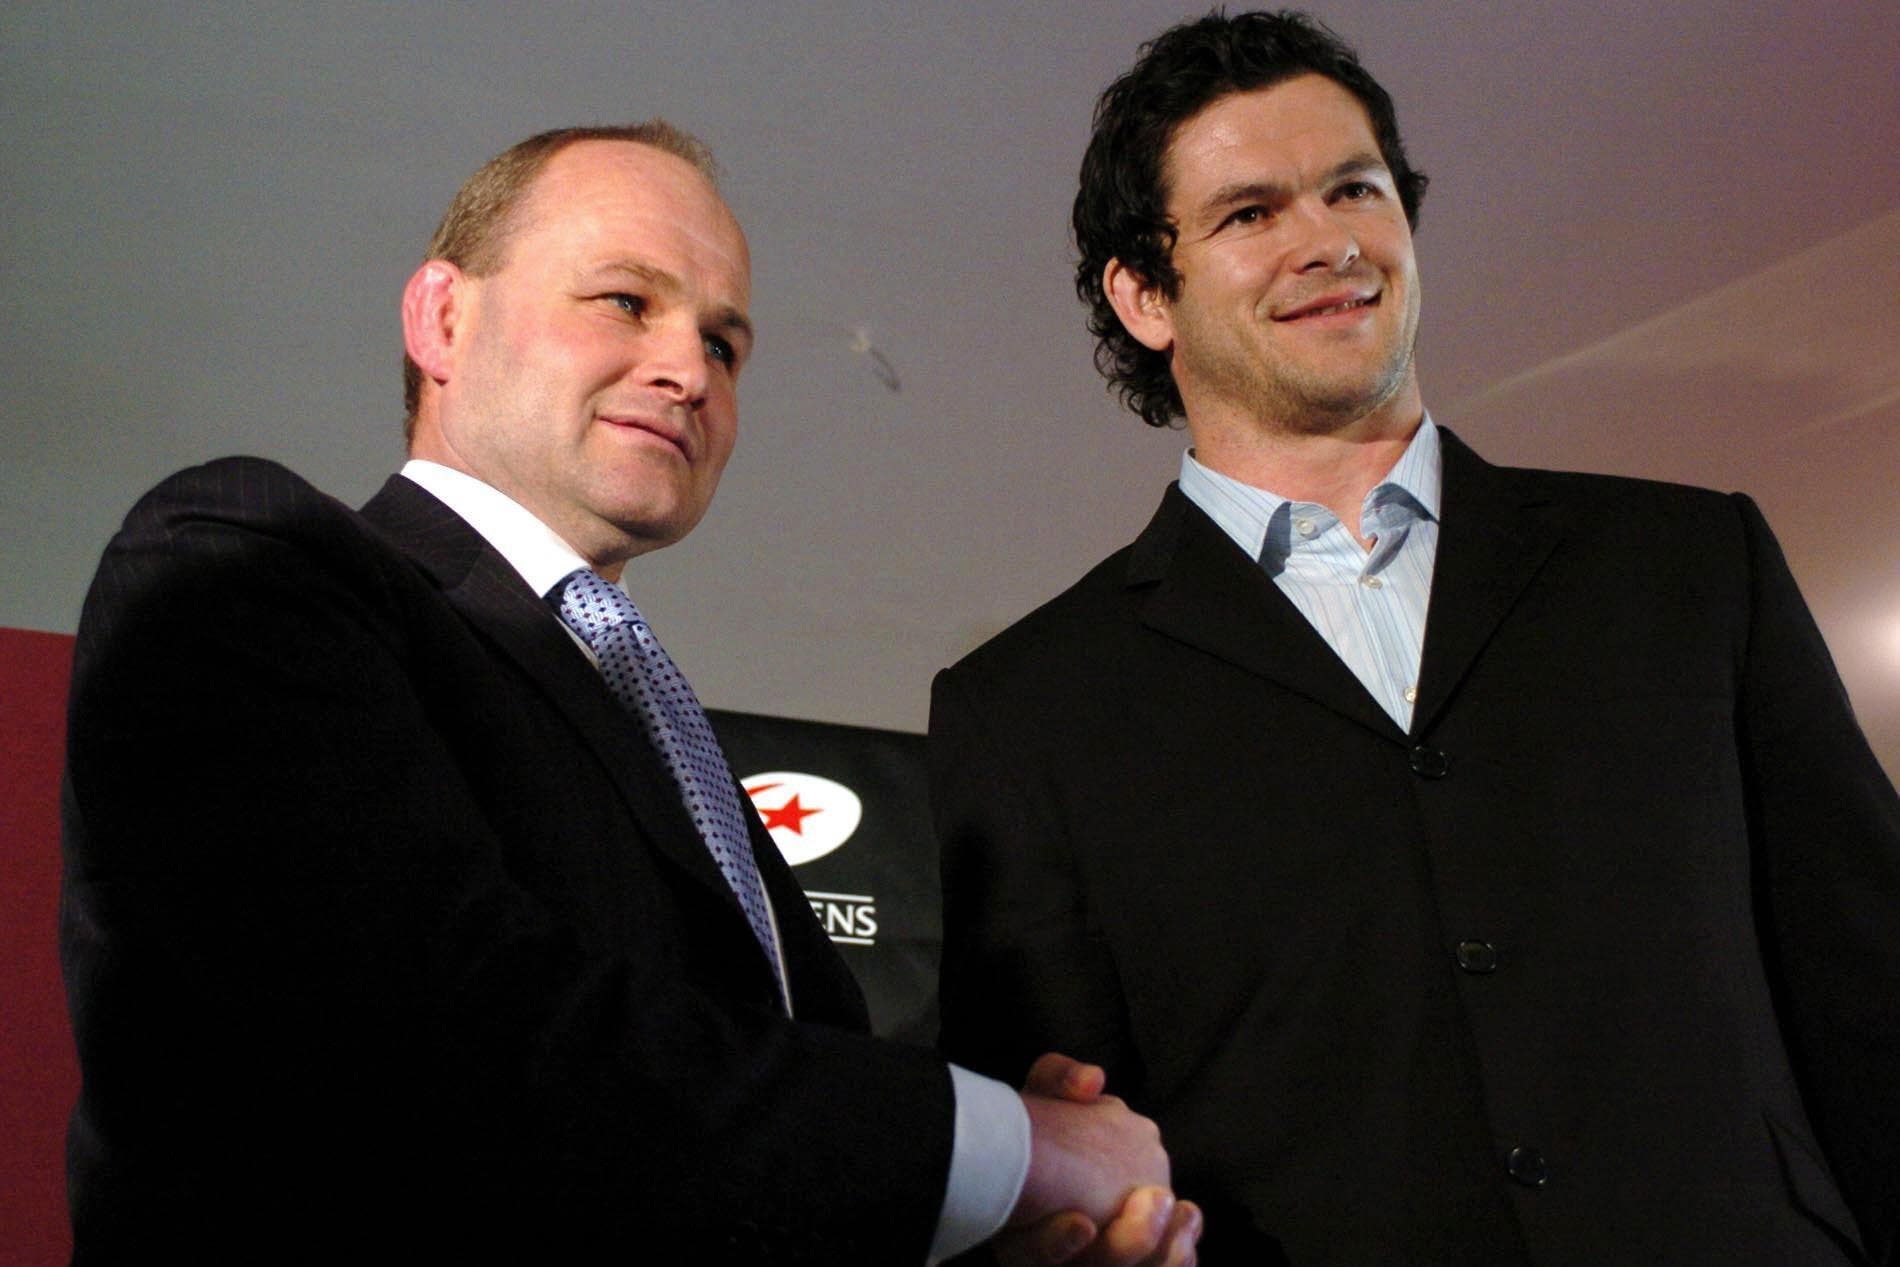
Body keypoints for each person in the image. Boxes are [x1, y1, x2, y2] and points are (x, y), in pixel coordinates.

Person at [60, 122, 1201, 1265]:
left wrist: (991, 1229)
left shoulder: (660, 734)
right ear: (442, 318)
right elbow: (428, 1046)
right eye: (622, 301)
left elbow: (711, 1153)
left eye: (725, 342)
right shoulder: (240, 559)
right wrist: (1004, 1146)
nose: (687, 368)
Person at [932, 12, 1900, 1266]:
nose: (1326, 240)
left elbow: (1866, 989)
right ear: (1143, 293)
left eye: (1354, 188)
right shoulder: (1029, 711)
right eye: (1248, 214)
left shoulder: (1690, 569)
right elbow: (1061, 1170)